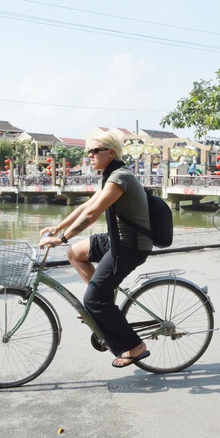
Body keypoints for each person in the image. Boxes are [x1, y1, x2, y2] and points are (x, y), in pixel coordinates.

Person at [39, 132, 153, 368]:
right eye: (88, 151)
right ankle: (103, 302)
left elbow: (92, 215)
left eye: (95, 150)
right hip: (116, 239)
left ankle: (135, 346)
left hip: (130, 246)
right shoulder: (109, 177)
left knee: (93, 300)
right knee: (75, 253)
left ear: (111, 152)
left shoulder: (120, 178)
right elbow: (86, 206)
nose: (90, 155)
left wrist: (62, 238)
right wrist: (57, 227)